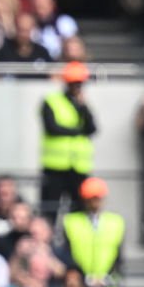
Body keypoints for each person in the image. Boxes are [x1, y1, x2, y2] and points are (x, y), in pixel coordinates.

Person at [39, 60, 97, 207]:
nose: (77, 87)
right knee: (50, 208)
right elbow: (52, 128)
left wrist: (83, 107)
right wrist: (78, 132)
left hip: (78, 167)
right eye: (74, 83)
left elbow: (92, 129)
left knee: (79, 209)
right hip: (55, 167)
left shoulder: (82, 104)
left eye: (79, 84)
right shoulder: (51, 101)